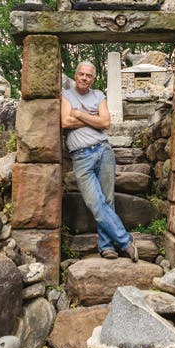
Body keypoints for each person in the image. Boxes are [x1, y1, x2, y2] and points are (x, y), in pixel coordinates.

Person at [61, 60, 138, 261]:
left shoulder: (98, 96)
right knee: (95, 203)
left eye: (89, 76)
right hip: (81, 156)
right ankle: (126, 242)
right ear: (75, 75)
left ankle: (106, 246)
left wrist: (78, 113)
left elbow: (105, 122)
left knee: (108, 200)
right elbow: (65, 121)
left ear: (93, 79)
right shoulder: (66, 95)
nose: (84, 78)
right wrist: (91, 118)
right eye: (81, 74)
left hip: (104, 152)